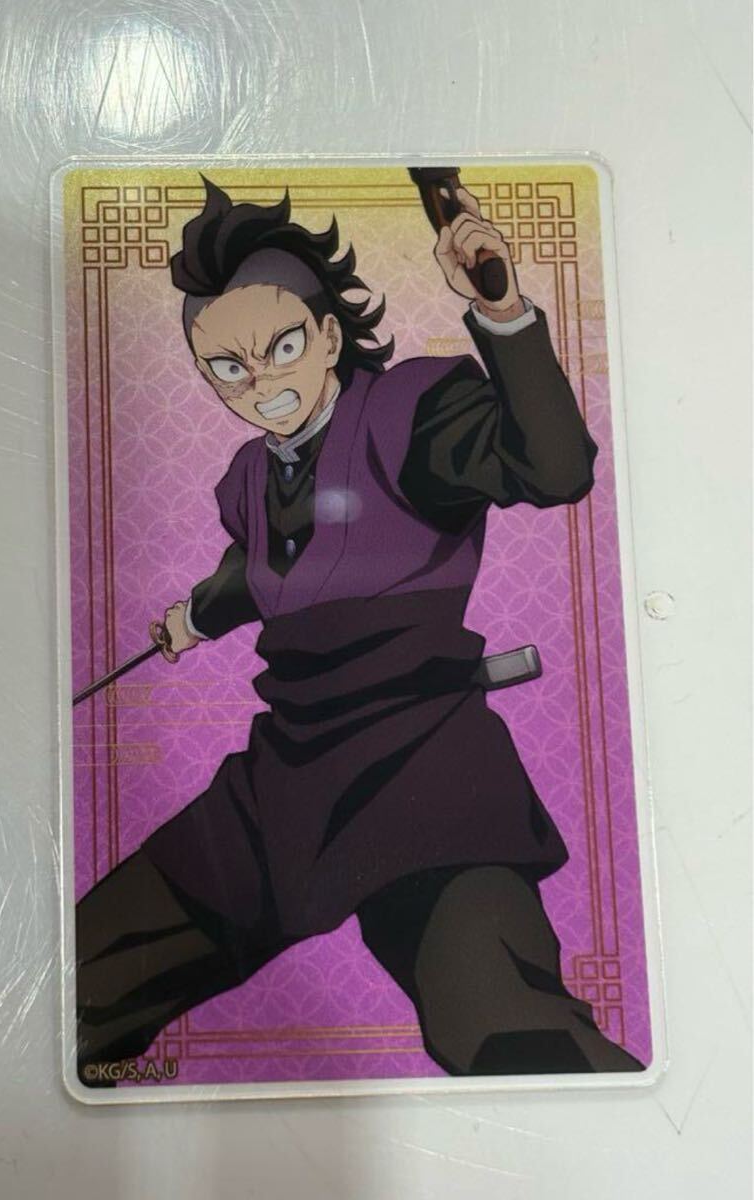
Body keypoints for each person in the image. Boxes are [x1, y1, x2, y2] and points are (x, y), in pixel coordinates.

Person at [75, 178, 643, 1080]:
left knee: (506, 1029)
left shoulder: (411, 416)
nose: (263, 385)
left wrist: (500, 312)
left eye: (283, 348)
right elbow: (261, 572)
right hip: (286, 779)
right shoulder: (246, 479)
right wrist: (192, 618)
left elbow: (555, 468)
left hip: (425, 770)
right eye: (228, 368)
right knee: (81, 982)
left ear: (329, 336)